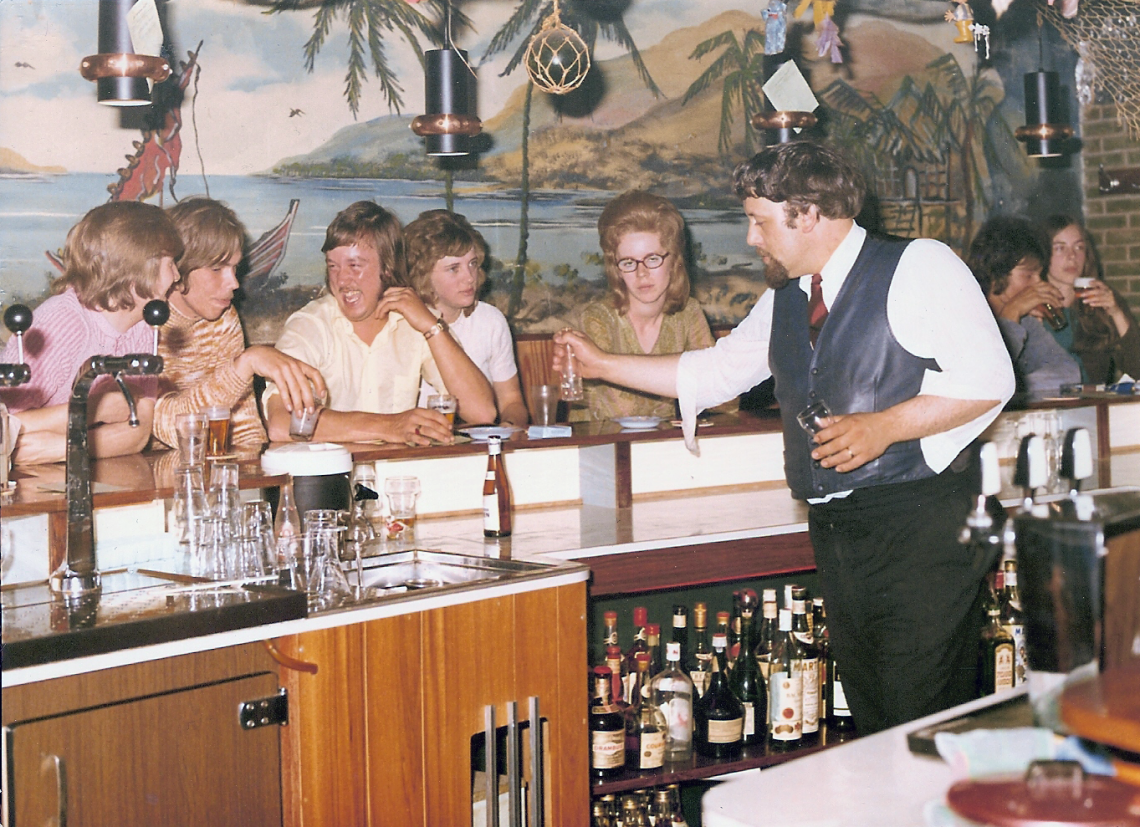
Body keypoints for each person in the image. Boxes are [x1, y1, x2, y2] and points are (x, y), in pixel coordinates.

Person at [555, 142, 1015, 735]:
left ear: (808, 214)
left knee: (917, 720)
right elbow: (715, 371)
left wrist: (884, 426)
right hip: (838, 531)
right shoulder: (788, 294)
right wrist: (601, 363)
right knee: (875, 721)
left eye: (759, 221)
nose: (751, 238)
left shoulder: (919, 264)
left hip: (921, 525)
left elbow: (990, 380)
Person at [263, 201, 496, 444]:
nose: (342, 280)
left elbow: (482, 412)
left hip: (397, 469)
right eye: (333, 266)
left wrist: (432, 327)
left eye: (354, 265)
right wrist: (389, 426)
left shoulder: (414, 321)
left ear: (387, 268)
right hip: (329, 469)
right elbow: (281, 423)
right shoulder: (309, 326)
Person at [0, 201, 182, 465]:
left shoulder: (144, 327)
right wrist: (98, 409)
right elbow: (5, 427)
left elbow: (138, 433)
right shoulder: (63, 322)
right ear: (139, 269)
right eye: (170, 263)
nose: (177, 276)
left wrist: (62, 446)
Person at [151, 197, 326, 454]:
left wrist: (250, 473)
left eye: (234, 268)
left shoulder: (224, 319)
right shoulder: (145, 324)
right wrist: (245, 364)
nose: (234, 283)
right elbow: (164, 424)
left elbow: (246, 431)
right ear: (176, 269)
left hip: (200, 471)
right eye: (216, 269)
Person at [576, 190, 714, 422]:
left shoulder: (689, 313)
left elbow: (721, 392)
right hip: (606, 440)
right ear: (616, 269)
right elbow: (621, 410)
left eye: (652, 259)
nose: (642, 273)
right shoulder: (598, 319)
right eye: (628, 262)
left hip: (668, 440)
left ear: (674, 261)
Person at [404, 209, 528, 426]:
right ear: (423, 274)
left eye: (472, 263)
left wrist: (508, 427)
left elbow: (511, 401)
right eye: (454, 269)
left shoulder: (491, 321)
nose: (470, 277)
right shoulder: (400, 324)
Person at [966, 216, 1080, 395]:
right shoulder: (966, 315)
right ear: (997, 273)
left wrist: (1015, 388)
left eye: (1039, 274)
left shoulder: (1025, 320)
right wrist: (1011, 314)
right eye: (1028, 275)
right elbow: (984, 382)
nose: (1037, 283)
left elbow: (1069, 373)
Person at [1042, 214, 1140, 384]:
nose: (1072, 256)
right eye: (1060, 248)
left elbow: (1137, 371)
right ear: (1043, 254)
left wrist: (1117, 313)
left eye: (1079, 247)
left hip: (1092, 400)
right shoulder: (1030, 306)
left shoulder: (1103, 300)